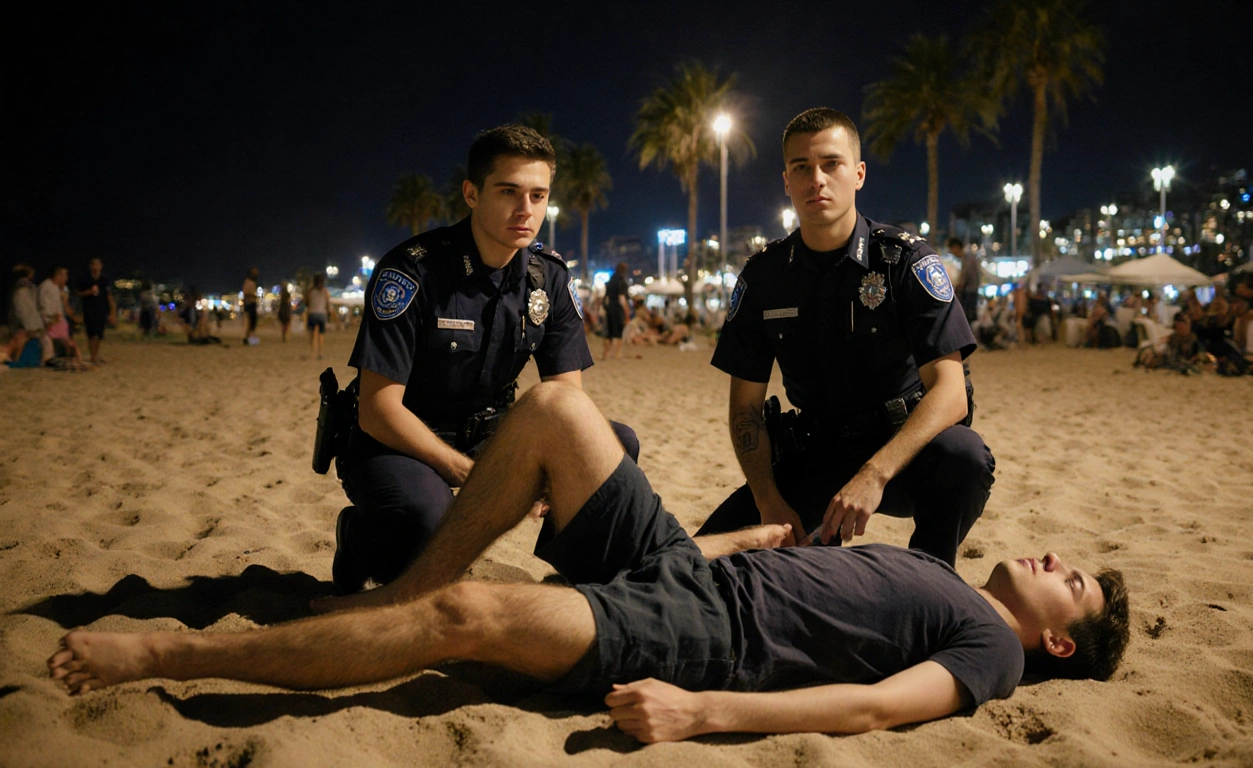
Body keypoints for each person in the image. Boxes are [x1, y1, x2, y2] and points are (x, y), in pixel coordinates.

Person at [49, 383, 1130, 745]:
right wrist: (734, 539)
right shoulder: (944, 574)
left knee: (473, 620)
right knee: (563, 408)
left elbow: (877, 709)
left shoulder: (989, 646)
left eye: (1070, 579)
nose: (1052, 557)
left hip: (707, 642)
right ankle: (404, 583)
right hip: (686, 572)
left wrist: (704, 716)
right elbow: (797, 580)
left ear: (1060, 639)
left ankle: (166, 654)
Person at [333, 124, 640, 595]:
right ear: (472, 193)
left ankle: (572, 580)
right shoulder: (413, 270)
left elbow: (566, 400)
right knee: (425, 523)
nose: (526, 210)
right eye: (509, 192)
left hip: (490, 436)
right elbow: (377, 409)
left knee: (615, 444)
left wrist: (555, 470)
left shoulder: (549, 279)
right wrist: (469, 476)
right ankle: (356, 538)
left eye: (539, 195)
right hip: (399, 439)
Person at [697, 108, 993, 566]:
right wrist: (768, 500)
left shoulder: (904, 262)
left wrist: (874, 474)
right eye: (801, 167)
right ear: (787, 182)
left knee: (965, 458)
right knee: (706, 562)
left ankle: (931, 582)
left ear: (858, 174)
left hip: (902, 450)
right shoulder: (764, 277)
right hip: (815, 453)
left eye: (831, 164)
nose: (817, 179)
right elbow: (745, 411)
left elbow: (951, 395)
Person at [74, 258, 115, 364]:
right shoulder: (85, 279)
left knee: (98, 334)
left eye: (97, 265)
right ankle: (93, 356)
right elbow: (78, 293)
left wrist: (112, 312)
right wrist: (89, 292)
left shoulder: (104, 279)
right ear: (90, 266)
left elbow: (109, 296)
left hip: (101, 310)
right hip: (89, 309)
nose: (95, 267)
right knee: (91, 334)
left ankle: (95, 355)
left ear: (101, 266)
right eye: (93, 265)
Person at [7, 264, 51, 364]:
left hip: (20, 319)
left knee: (20, 339)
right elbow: (28, 308)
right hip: (26, 320)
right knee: (22, 339)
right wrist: (34, 324)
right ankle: (15, 359)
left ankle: (15, 359)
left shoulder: (18, 287)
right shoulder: (26, 288)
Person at [38, 266, 80, 360]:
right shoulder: (46, 286)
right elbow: (43, 305)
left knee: (66, 341)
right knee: (51, 343)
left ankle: (74, 358)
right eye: (64, 275)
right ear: (58, 275)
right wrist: (50, 318)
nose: (66, 278)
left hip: (57, 319)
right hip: (51, 319)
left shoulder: (56, 287)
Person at [601, 262, 630, 360]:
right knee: (618, 332)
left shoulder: (611, 280)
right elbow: (622, 298)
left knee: (609, 332)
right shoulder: (622, 282)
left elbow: (606, 297)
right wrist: (627, 312)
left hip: (609, 308)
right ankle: (617, 354)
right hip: (617, 309)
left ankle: (606, 354)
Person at [949, 238, 978, 325]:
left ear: (956, 247)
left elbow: (966, 274)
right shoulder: (968, 257)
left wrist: (959, 286)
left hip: (969, 291)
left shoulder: (967, 257)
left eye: (951, 249)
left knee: (966, 317)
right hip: (971, 290)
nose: (952, 252)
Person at [305, 274, 331, 360]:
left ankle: (313, 352)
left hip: (312, 313)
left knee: (312, 334)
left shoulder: (311, 292)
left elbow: (307, 303)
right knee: (321, 334)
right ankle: (321, 353)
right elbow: (328, 304)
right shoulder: (325, 291)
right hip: (322, 314)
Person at [241, 267, 260, 344]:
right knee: (251, 321)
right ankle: (248, 337)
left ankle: (249, 336)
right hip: (249, 303)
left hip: (252, 303)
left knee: (253, 321)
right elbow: (246, 293)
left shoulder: (253, 282)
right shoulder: (248, 282)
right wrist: (253, 296)